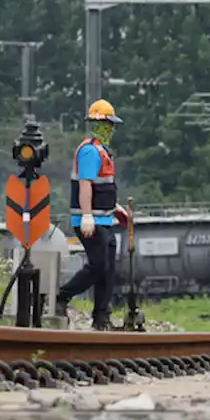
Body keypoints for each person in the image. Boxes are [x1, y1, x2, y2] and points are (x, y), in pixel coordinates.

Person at [56, 99, 125, 331]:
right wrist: (87, 216)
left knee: (108, 269)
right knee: (98, 265)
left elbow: (102, 188)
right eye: (105, 124)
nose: (109, 129)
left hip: (105, 219)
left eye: (110, 125)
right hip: (90, 221)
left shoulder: (103, 152)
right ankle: (61, 297)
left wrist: (116, 208)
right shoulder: (89, 151)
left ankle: (102, 317)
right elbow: (85, 185)